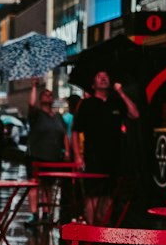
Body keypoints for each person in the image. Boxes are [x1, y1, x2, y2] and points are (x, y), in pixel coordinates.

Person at [72, 70, 140, 223]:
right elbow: (75, 131)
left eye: (106, 76)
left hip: (114, 159)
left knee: (108, 197)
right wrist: (77, 155)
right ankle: (91, 233)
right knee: (93, 197)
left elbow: (135, 114)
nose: (103, 78)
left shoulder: (115, 102)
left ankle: (103, 233)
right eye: (98, 76)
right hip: (93, 158)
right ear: (93, 84)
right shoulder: (86, 104)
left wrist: (121, 92)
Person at [26, 79, 70, 224]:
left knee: (48, 186)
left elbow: (64, 135)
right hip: (36, 155)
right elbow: (31, 105)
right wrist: (33, 86)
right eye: (45, 94)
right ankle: (34, 214)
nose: (48, 96)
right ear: (40, 99)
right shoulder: (37, 114)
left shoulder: (58, 117)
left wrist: (67, 152)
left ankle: (46, 213)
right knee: (34, 184)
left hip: (53, 156)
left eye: (50, 95)